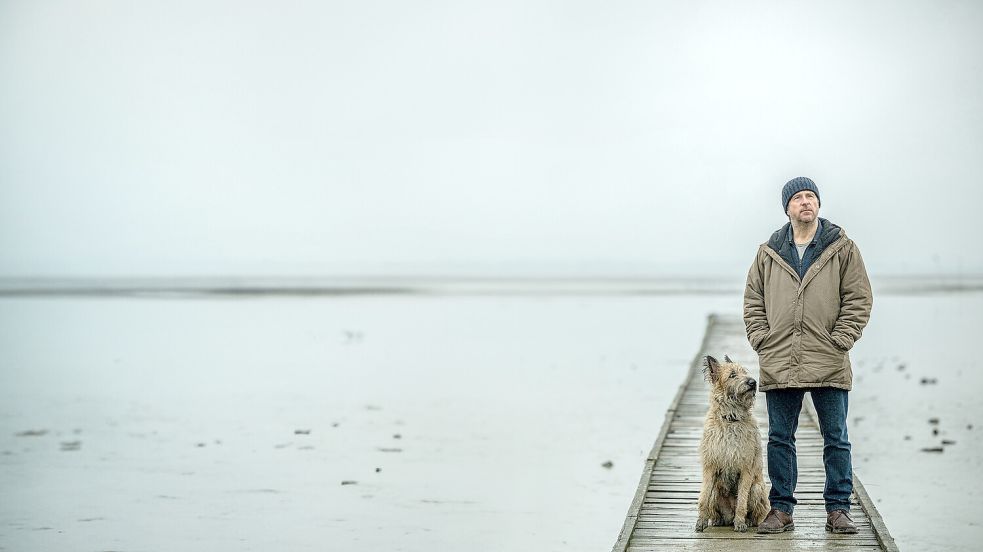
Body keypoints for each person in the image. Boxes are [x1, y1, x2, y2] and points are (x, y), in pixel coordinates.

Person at [743, 176, 873, 535]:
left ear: (818, 204)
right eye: (798, 198)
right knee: (780, 439)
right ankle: (781, 509)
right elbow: (753, 300)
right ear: (787, 208)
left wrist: (841, 339)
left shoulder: (842, 247)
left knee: (837, 438)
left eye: (811, 197)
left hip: (828, 357)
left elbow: (859, 299)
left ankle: (838, 509)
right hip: (780, 357)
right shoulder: (768, 252)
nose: (806, 202)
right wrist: (761, 339)